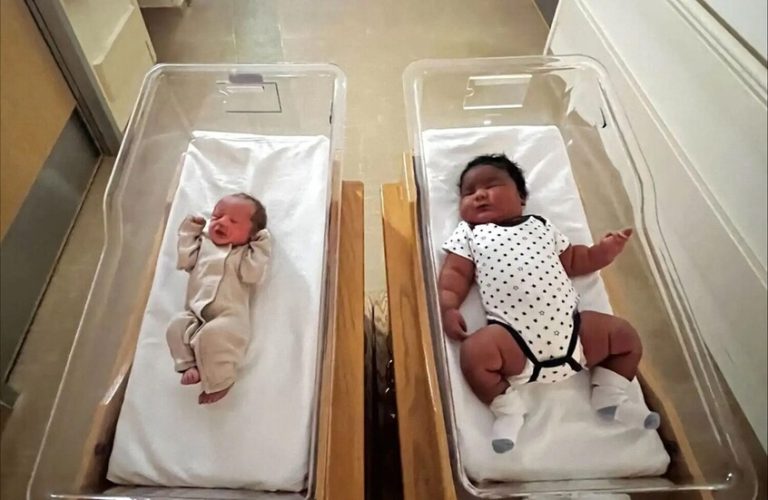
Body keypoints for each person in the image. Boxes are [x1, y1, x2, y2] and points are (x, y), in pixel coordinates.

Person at [439, 154, 659, 453]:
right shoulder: (470, 234)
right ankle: (508, 409)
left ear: (521, 197)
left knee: (625, 336)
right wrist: (449, 306)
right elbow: (455, 274)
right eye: (469, 192)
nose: (479, 194)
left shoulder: (541, 226)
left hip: (575, 335)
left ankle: (609, 393)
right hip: (513, 341)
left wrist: (604, 251)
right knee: (473, 353)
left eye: (490, 185)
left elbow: (576, 260)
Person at [166, 193, 271, 404]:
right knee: (175, 326)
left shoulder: (243, 254)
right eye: (216, 216)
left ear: (251, 234)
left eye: (233, 221)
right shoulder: (204, 246)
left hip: (229, 316)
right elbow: (185, 260)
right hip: (194, 314)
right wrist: (190, 231)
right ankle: (188, 364)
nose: (221, 222)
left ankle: (221, 381)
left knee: (212, 336)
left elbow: (253, 275)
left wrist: (260, 246)